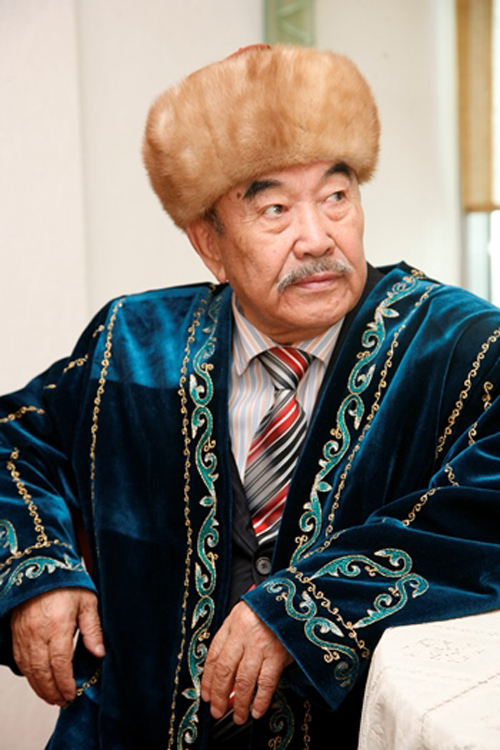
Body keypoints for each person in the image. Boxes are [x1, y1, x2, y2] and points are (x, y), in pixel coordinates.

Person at [1, 44, 500, 750]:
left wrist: (310, 602)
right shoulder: (135, 342)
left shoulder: (458, 345)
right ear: (209, 242)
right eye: (274, 209)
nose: (317, 238)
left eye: (336, 196)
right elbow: (15, 440)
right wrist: (39, 569)